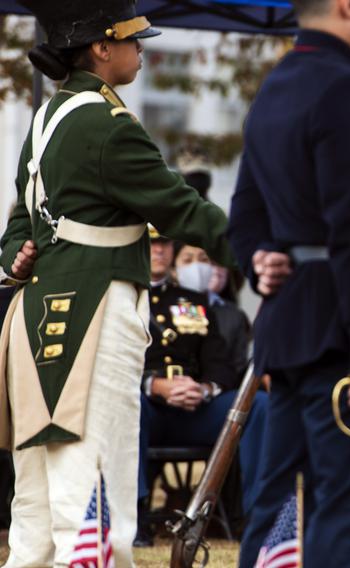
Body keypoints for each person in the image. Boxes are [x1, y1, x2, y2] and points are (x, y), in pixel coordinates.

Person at [0, 1, 234, 564]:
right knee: (96, 482)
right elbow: (182, 209)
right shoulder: (107, 126)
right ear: (101, 47)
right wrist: (263, 252)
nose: (142, 47)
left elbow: (16, 227)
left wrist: (18, 255)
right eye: (131, 39)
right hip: (96, 315)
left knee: (36, 502)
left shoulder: (48, 119)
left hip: (35, 319)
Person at [227, 0, 350, 565]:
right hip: (344, 332)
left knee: (272, 520)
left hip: (288, 330)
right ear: (346, 5)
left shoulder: (275, 88)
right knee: (348, 519)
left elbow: (245, 213)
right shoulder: (346, 91)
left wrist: (260, 256)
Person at [136, 228, 266, 546]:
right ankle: (136, 518)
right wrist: (154, 385)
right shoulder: (124, 296)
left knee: (259, 405)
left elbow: (220, 359)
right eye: (151, 243)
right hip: (148, 407)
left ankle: (257, 517)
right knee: (128, 405)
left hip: (195, 408)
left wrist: (205, 389)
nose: (159, 250)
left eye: (165, 243)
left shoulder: (193, 301)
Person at [175, 242, 251, 381]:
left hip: (215, 388)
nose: (197, 266)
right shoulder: (164, 302)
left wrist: (208, 389)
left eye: (204, 260)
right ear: (173, 270)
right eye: (188, 260)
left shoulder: (233, 315)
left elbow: (237, 367)